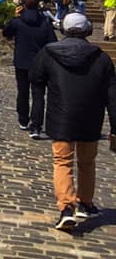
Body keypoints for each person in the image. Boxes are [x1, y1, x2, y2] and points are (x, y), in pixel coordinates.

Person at [30, 12, 116, 231]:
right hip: (90, 118)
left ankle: (67, 208)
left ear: (63, 30)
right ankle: (85, 203)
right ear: (87, 31)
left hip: (61, 117)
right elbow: (112, 96)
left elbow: (37, 85)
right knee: (87, 163)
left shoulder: (48, 53)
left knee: (63, 162)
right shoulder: (101, 57)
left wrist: (36, 121)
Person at [3, 0, 57, 139]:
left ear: (23, 5)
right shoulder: (45, 22)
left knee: (23, 91)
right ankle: (36, 127)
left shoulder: (18, 22)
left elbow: (6, 32)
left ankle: (23, 119)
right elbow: (52, 42)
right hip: (39, 63)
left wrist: (15, 17)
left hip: (21, 62)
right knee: (38, 95)